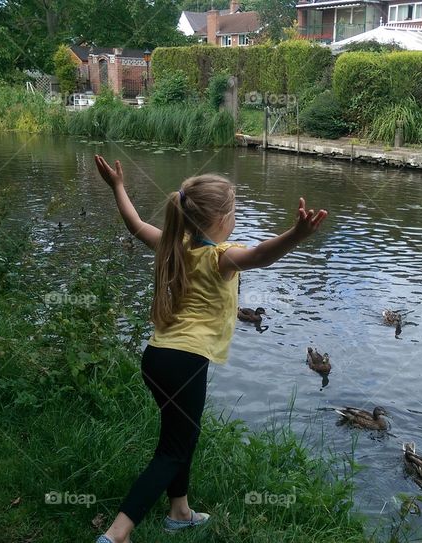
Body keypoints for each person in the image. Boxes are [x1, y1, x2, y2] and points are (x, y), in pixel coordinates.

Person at [93, 155, 328, 543]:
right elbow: (260, 256)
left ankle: (179, 512)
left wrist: (118, 186)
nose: (234, 219)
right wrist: (296, 235)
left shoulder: (175, 244)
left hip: (158, 357)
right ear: (218, 220)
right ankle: (118, 533)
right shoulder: (222, 257)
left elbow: (136, 226)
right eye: (233, 212)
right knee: (172, 450)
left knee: (182, 434)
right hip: (185, 363)